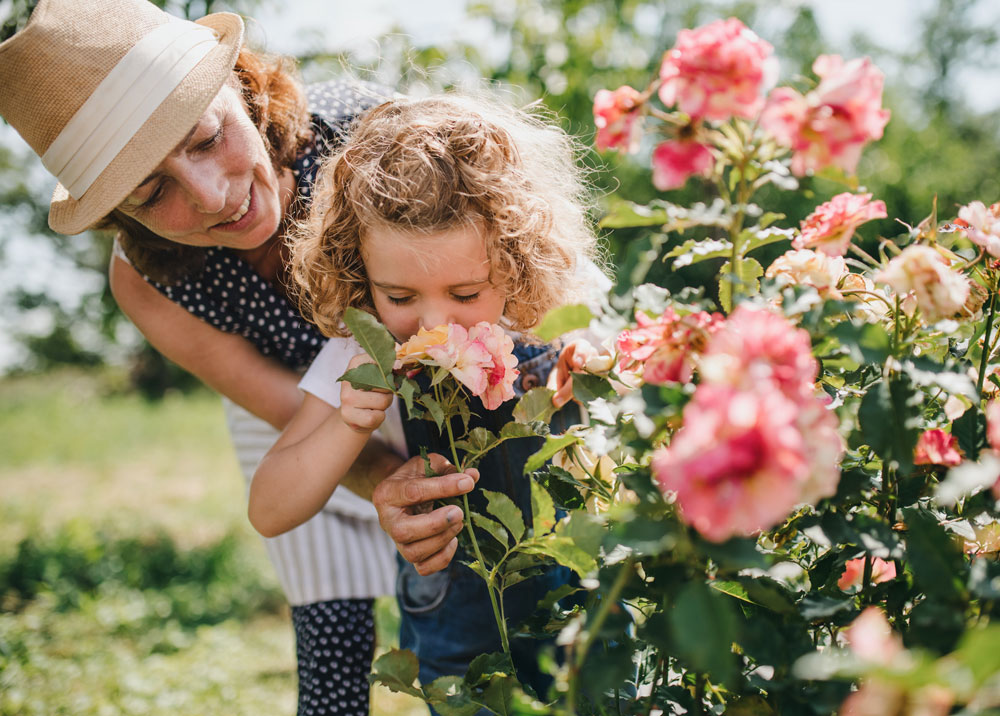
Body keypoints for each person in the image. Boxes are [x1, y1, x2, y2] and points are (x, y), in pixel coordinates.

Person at [0, 1, 445, 713]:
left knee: (469, 609)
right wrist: (384, 487)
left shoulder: (372, 140)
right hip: (296, 410)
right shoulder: (147, 281)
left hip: (434, 377)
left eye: (207, 138)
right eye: (153, 194)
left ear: (240, 83)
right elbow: (274, 404)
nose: (213, 197)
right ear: (121, 215)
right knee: (332, 641)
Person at [248, 93, 604, 701]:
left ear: (515, 260)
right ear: (359, 271)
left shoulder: (540, 314)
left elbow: (624, 380)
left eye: (465, 294)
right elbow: (270, 507)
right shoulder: (366, 349)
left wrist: (597, 369)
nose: (432, 323)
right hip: (451, 609)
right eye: (400, 296)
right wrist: (347, 424)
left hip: (575, 593)